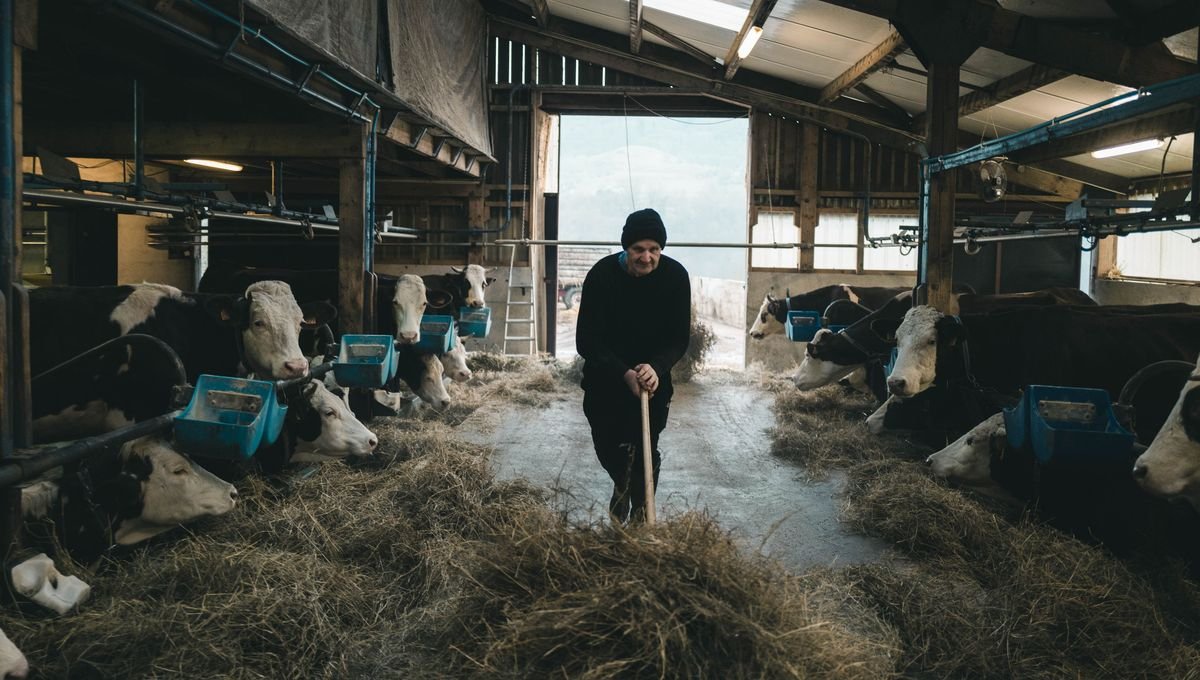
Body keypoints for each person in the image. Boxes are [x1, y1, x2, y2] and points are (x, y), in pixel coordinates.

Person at [576, 208, 691, 523]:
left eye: (654, 249)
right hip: (605, 382)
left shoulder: (676, 277)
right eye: (639, 249)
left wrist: (657, 367)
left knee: (645, 451)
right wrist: (624, 373)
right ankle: (621, 485)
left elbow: (679, 337)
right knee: (609, 448)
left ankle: (640, 514)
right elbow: (586, 340)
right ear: (626, 247)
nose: (647, 257)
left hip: (653, 384)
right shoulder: (601, 276)